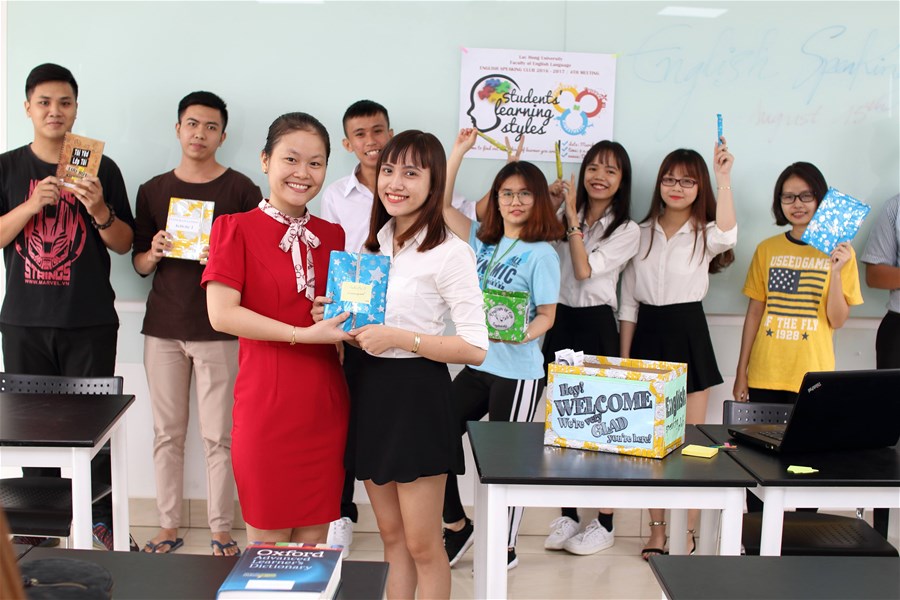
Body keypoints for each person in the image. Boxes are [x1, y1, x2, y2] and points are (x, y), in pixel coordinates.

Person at [319, 130, 488, 600]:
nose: (395, 183)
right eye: (388, 170)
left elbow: (475, 347)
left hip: (417, 397)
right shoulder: (371, 248)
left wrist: (400, 338)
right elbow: (361, 323)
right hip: (369, 389)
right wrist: (331, 318)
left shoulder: (451, 252)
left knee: (423, 544)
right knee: (391, 539)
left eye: (411, 173)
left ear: (434, 183)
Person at [0, 63, 135, 549]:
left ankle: (99, 521)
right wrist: (30, 205)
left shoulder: (102, 167)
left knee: (93, 430)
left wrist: (99, 210)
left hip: (89, 320)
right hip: (24, 322)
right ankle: (36, 531)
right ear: (27, 108)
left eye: (64, 102)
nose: (54, 111)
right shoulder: (6, 167)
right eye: (44, 102)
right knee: (26, 432)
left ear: (76, 108)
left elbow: (125, 243)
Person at [202, 112, 352, 546]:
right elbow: (221, 315)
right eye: (291, 159)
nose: (303, 173)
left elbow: (339, 319)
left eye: (316, 163)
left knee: (312, 552)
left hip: (324, 405)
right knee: (266, 556)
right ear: (265, 160)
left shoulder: (334, 236)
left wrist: (334, 317)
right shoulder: (234, 228)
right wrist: (302, 334)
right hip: (265, 408)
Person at [132, 91, 262, 555]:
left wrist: (223, 258)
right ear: (178, 129)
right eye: (192, 124)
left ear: (223, 136)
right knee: (167, 434)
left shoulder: (242, 190)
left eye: (210, 127)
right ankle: (167, 526)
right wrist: (155, 251)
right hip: (163, 328)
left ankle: (221, 530)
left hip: (219, 329)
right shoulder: (152, 189)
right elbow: (139, 264)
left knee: (218, 437)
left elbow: (257, 262)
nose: (200, 134)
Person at [440, 128, 562, 570]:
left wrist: (523, 334)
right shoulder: (481, 238)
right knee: (436, 433)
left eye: (525, 193)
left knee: (506, 462)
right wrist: (458, 152)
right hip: (478, 363)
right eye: (506, 193)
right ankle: (457, 524)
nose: (515, 201)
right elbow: (441, 206)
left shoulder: (542, 254)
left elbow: (547, 315)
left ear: (538, 200)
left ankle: (504, 546)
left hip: (519, 373)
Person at [619, 142, 736, 558]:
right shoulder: (639, 232)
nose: (677, 187)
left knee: (691, 444)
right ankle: (656, 530)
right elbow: (628, 303)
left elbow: (729, 233)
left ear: (699, 187)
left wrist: (723, 177)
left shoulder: (706, 233)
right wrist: (625, 361)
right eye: (669, 179)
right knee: (653, 445)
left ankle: (686, 529)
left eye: (687, 181)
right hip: (648, 333)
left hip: (688, 333)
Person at [732, 162, 861, 514]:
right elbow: (755, 313)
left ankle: (800, 537)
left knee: (809, 465)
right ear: (779, 203)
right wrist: (742, 371)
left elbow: (837, 320)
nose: (797, 204)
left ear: (821, 199)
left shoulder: (841, 253)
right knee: (758, 462)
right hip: (765, 372)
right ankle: (757, 535)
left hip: (813, 375)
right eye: (788, 197)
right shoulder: (767, 249)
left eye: (806, 195)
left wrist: (836, 271)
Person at [540, 140, 640, 555]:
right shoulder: (564, 212)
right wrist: (552, 202)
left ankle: (606, 522)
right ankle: (569, 514)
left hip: (598, 323)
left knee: (603, 426)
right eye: (594, 168)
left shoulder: (628, 230)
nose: (600, 176)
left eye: (611, 171)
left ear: (622, 181)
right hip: (559, 319)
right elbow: (533, 238)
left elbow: (583, 270)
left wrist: (572, 219)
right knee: (561, 422)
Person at [854, 193, 895, 535]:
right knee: (886, 433)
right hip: (899, 326)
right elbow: (877, 276)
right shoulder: (896, 207)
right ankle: (880, 534)